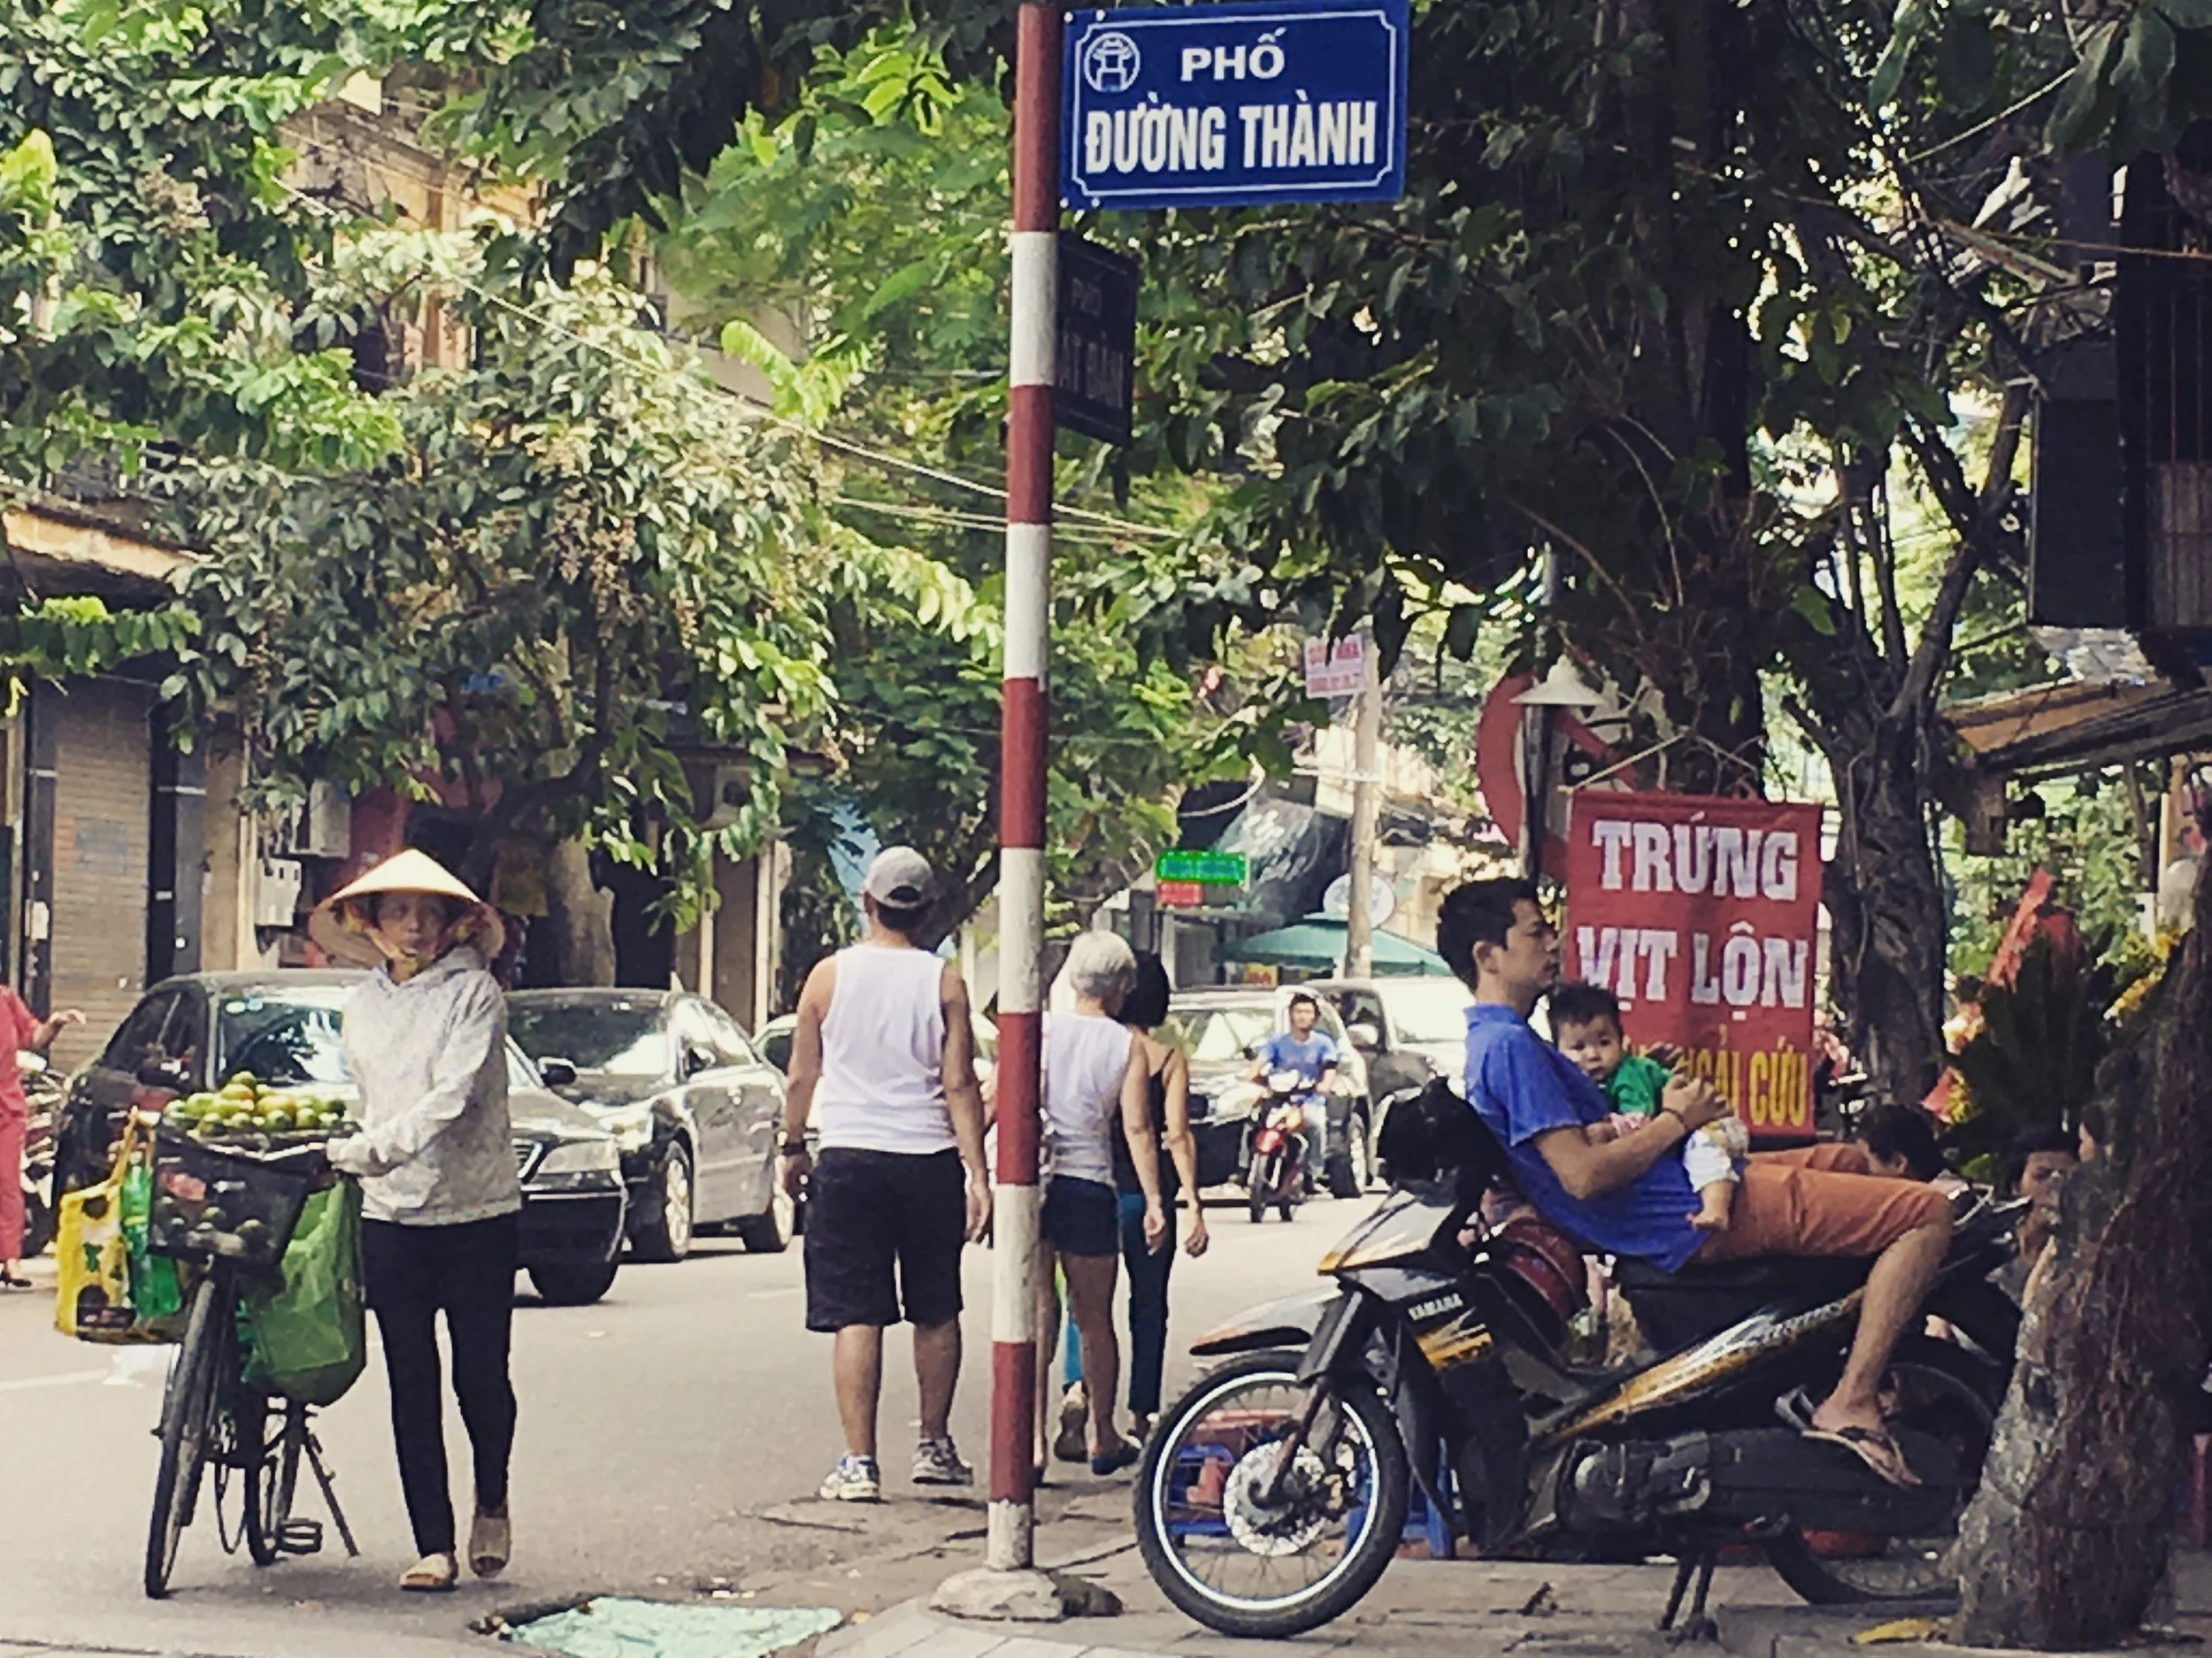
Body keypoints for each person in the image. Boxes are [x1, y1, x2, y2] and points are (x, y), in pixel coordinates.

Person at [1440, 878, 1954, 1489]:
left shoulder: (1505, 1044)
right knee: (1927, 1212)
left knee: (1848, 1162)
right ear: (1486, 955)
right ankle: (1854, 1396)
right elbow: (1580, 1175)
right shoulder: (1509, 1049)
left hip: (1683, 1186)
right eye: (1535, 932)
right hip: (1677, 1214)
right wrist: (1677, 1119)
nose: (1553, 944)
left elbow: (1587, 1139)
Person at [310, 850, 518, 1593]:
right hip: (391, 1215)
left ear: (455, 923)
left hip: (477, 1209)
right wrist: (341, 1146)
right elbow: (368, 1093)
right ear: (369, 921)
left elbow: (450, 1098)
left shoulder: (476, 996)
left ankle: (490, 1495)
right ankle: (433, 1541)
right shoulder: (359, 1003)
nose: (415, 927)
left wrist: (365, 1151)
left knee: (480, 1377)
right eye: (398, 912)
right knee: (409, 1379)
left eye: (430, 914)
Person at [780, 848, 991, 1502]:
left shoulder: (827, 978)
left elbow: (800, 1076)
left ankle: (859, 1463)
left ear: (866, 904)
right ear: (927, 912)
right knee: (935, 1306)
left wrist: (791, 1147)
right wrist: (976, 1174)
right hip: (927, 1161)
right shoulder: (945, 982)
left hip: (848, 1158)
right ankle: (933, 1445)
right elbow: (960, 1085)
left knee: (856, 1313)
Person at [1053, 952, 1209, 1456]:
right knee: (1147, 1305)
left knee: (1085, 1304)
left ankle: (1078, 1389)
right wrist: (1191, 1203)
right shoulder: (1164, 1058)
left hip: (1092, 1186)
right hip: (1145, 1194)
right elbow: (1176, 1135)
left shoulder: (1093, 1047)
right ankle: (1141, 1412)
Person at [1029, 933, 1167, 1477]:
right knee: (1094, 1319)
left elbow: (1006, 1099)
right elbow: (1136, 1126)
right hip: (1089, 1184)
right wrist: (1154, 1198)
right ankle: (1103, 1434)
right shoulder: (1125, 1045)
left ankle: (1033, 1444)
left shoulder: (1038, 1029)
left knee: (1039, 1313)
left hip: (1034, 1185)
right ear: (1122, 987)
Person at [1549, 981, 1749, 1232]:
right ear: (1556, 1053)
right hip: (1694, 1129)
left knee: (1703, 1152)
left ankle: (1715, 1209)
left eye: (1604, 1042)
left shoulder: (1628, 1076)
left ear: (1622, 1042)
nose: (1592, 1055)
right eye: (1578, 1047)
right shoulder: (1592, 1083)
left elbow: (1639, 1121)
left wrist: (1609, 1131)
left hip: (1713, 1126)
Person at [0, 993, 82, 1288]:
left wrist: (55, 1024)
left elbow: (33, 1038)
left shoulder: (6, 999)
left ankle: (11, 1260)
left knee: (7, 1182)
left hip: (6, 1109)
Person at [1248, 991, 1339, 1188]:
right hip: (1279, 1100)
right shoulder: (1275, 1042)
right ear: (1290, 1014)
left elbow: (1330, 1070)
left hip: (1308, 1100)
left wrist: (1324, 1086)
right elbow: (1257, 1066)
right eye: (1298, 1011)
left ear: (1315, 1016)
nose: (1303, 1016)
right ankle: (1245, 1169)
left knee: (1316, 1126)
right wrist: (1260, 1080)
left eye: (1308, 1012)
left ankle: (1312, 1173)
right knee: (1251, 1122)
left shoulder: (1324, 1043)